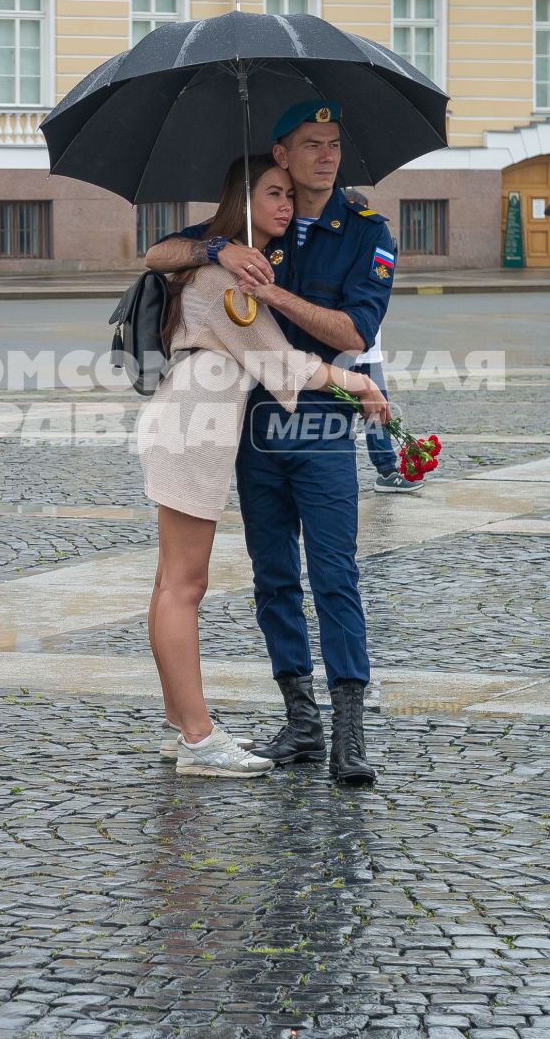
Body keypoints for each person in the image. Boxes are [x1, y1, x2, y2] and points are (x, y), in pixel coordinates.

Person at [145, 100, 395, 787]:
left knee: (335, 574)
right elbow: (158, 252)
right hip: (248, 431)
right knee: (270, 579)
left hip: (316, 427)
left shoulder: (364, 232)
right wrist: (221, 248)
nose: (326, 156)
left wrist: (276, 296)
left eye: (334, 144)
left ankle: (348, 733)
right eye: (310, 145)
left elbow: (352, 333)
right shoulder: (255, 220)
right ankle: (300, 722)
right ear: (280, 154)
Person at [345, 188, 421, 494]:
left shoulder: (376, 242)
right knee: (332, 420)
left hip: (368, 348)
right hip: (336, 351)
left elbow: (379, 286)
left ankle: (387, 470)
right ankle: (337, 476)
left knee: (377, 412)